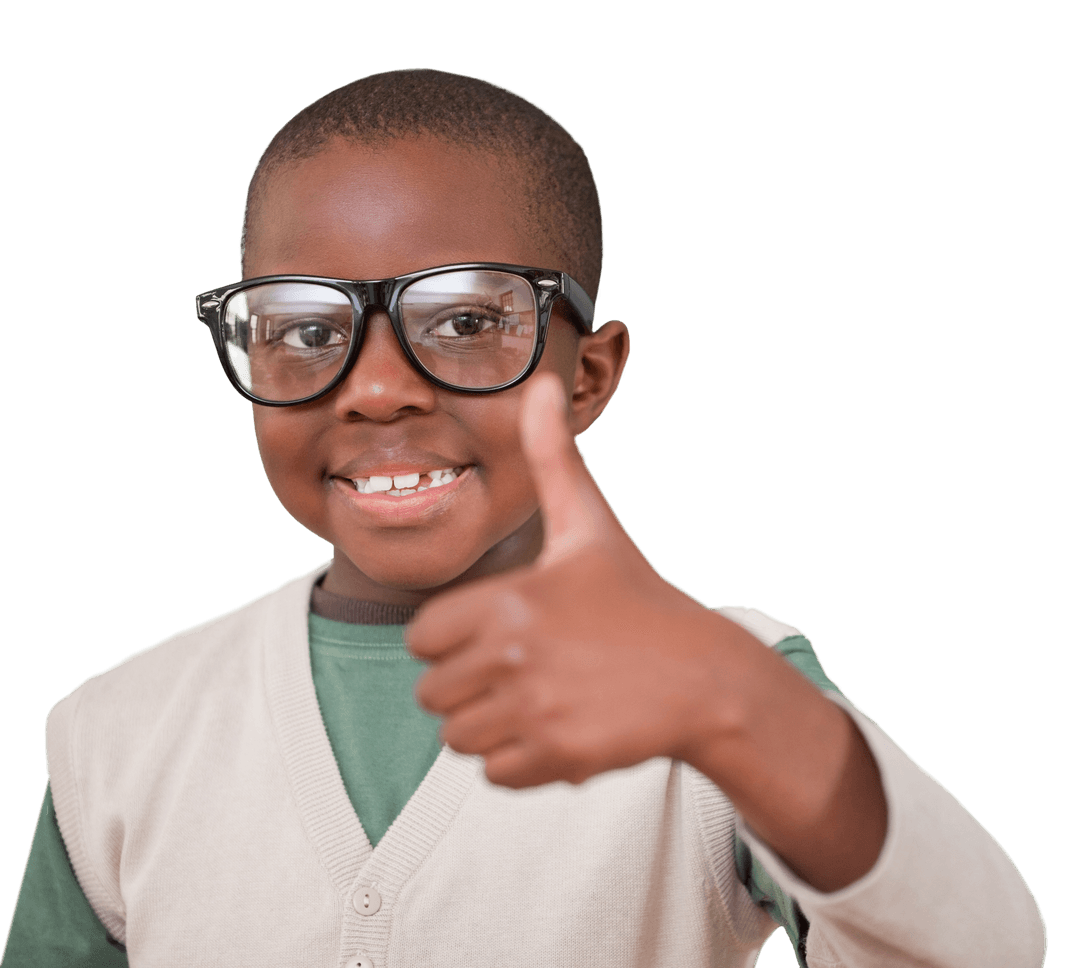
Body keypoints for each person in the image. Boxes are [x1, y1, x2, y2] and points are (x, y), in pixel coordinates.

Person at [2, 69, 1045, 968]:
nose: (373, 390)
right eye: (303, 326)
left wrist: (743, 705)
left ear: (587, 372)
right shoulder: (116, 728)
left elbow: (977, 946)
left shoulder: (716, 682)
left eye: (463, 320)